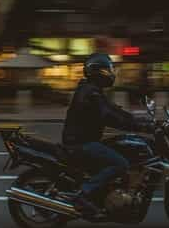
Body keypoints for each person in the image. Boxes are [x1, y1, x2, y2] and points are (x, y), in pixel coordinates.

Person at [62, 53, 153, 215]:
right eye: (109, 69)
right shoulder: (90, 93)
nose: (112, 73)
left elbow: (113, 110)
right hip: (80, 144)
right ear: (99, 72)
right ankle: (83, 195)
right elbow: (108, 116)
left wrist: (140, 120)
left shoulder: (92, 90)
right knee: (120, 164)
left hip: (84, 140)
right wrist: (139, 126)